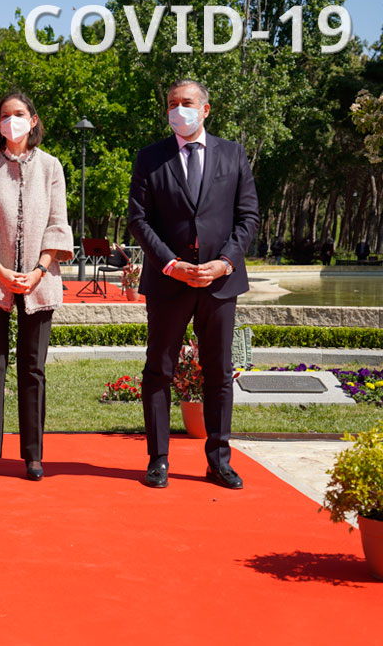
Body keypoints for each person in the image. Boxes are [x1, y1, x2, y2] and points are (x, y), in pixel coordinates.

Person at [127, 79, 259, 490]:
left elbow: (248, 218)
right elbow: (138, 220)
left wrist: (223, 263)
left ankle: (218, 460)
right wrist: (170, 264)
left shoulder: (234, 155)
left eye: (185, 103)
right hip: (170, 283)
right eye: (171, 103)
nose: (177, 110)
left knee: (218, 372)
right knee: (158, 370)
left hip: (219, 283)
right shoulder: (150, 158)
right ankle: (159, 459)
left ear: (204, 109)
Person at [0, 92, 73, 481]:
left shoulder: (51, 166)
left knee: (33, 369)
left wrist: (40, 270)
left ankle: (33, 455)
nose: (13, 121)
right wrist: (1, 271)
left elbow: (58, 225)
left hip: (39, 282)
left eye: (19, 114)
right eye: (5, 115)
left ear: (33, 119)